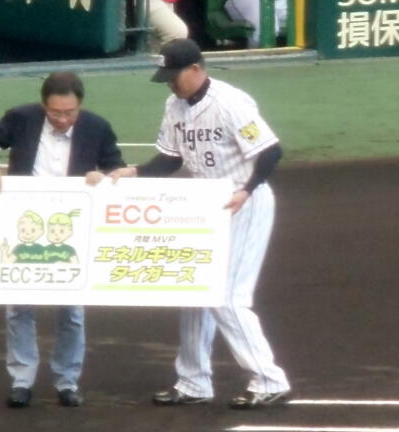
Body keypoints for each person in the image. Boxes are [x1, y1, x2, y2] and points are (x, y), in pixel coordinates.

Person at [106, 39, 291, 409]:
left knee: (227, 295)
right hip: (206, 205)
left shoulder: (229, 102)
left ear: (195, 69)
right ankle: (194, 382)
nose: (170, 84)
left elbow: (270, 151)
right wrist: (133, 172)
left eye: (174, 76)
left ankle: (269, 379)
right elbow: (170, 160)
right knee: (193, 290)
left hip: (245, 202)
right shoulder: (174, 105)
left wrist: (246, 190)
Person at [0, 71, 125, 409]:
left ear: (80, 106)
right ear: (44, 105)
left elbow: (116, 167)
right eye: (55, 112)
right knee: (19, 306)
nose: (62, 119)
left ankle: (67, 381)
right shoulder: (22, 118)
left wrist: (103, 176)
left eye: (69, 112)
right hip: (22, 220)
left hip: (72, 225)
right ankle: (22, 379)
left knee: (72, 310)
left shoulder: (97, 127)